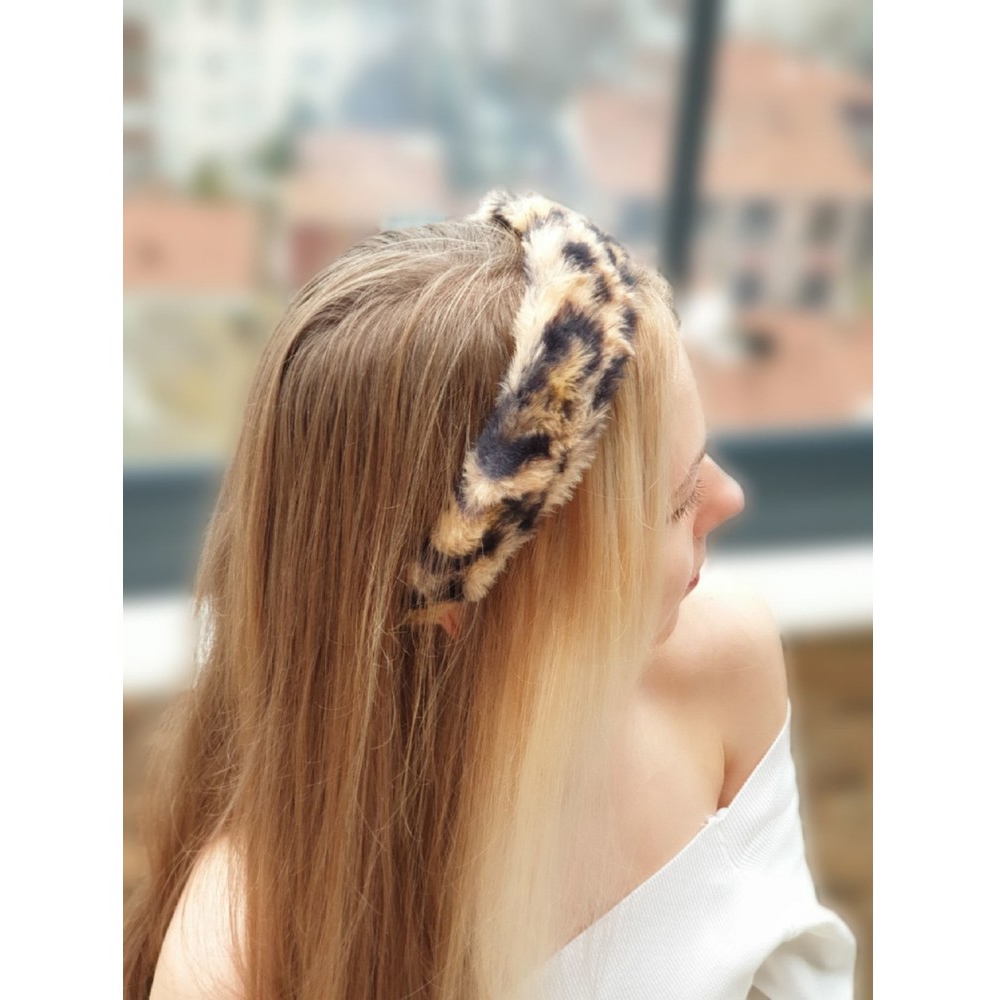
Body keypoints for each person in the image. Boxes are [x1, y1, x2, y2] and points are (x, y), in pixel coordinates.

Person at [123, 192, 856, 1000]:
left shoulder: (719, 666)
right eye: (673, 502)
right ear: (463, 602)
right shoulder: (243, 954)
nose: (731, 498)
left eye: (701, 458)